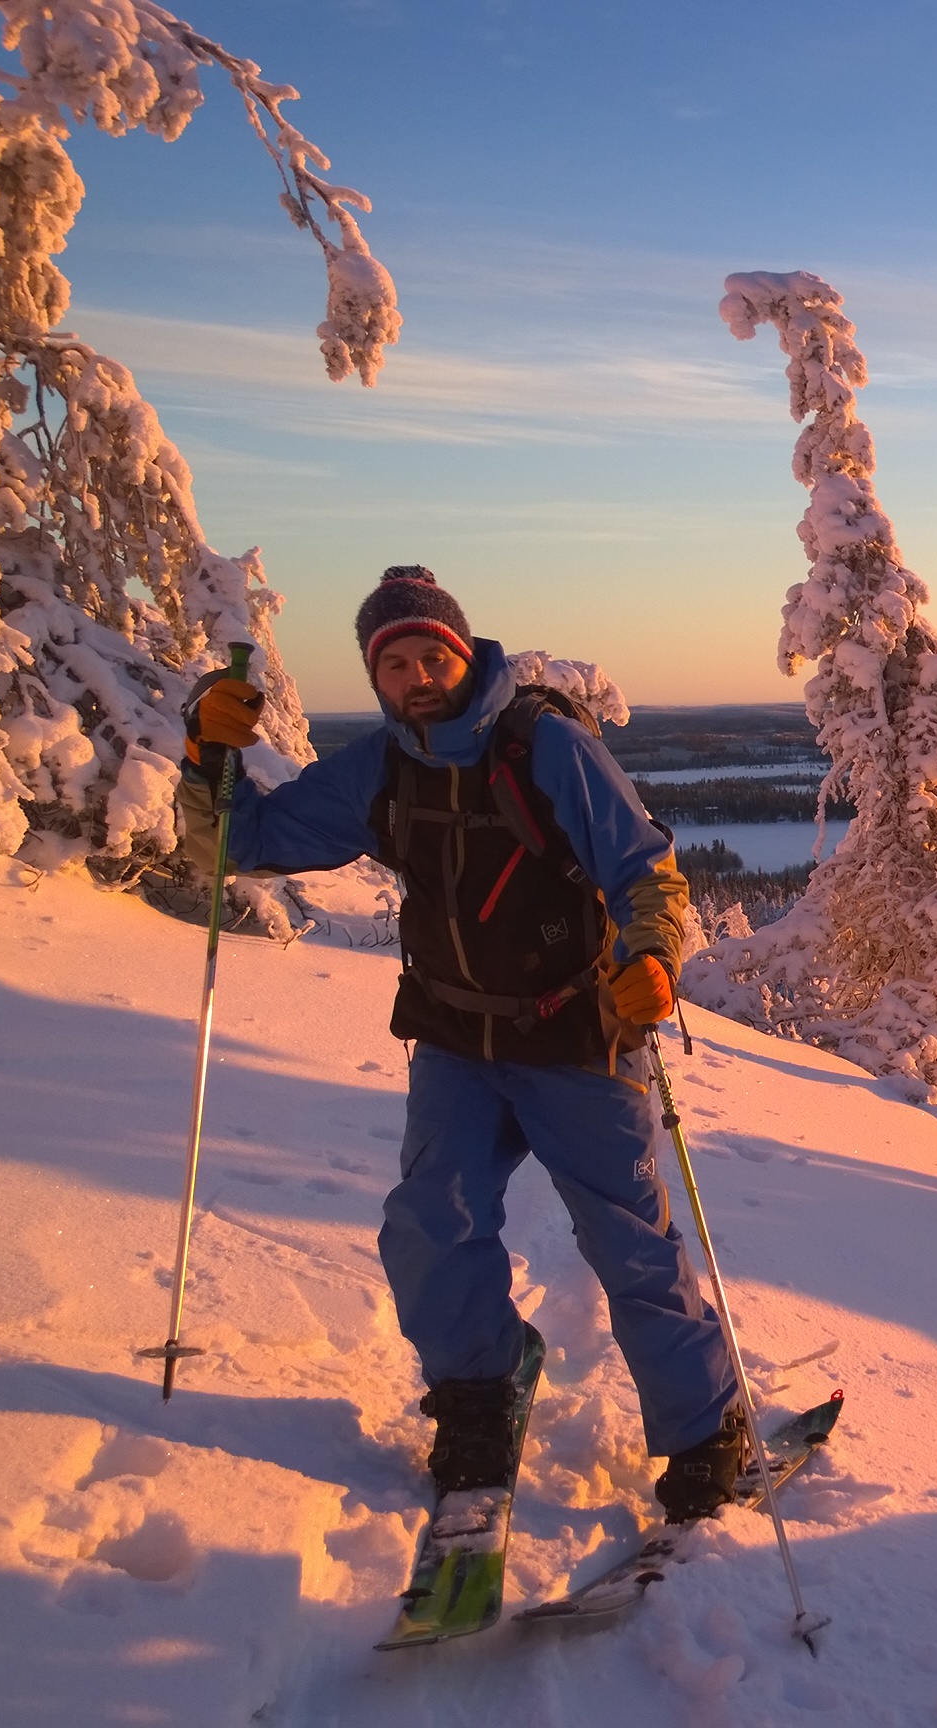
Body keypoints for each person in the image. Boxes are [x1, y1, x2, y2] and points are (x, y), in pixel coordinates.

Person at [178, 566, 751, 1521]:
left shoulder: (545, 746)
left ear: (462, 651)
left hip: (573, 1036)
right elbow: (242, 845)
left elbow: (645, 867)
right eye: (392, 663)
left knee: (628, 1243)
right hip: (454, 1038)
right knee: (429, 1226)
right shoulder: (385, 767)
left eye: (428, 654)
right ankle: (480, 1394)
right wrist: (208, 755)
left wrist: (651, 955)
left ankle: (707, 1427)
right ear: (377, 679)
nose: (414, 676)